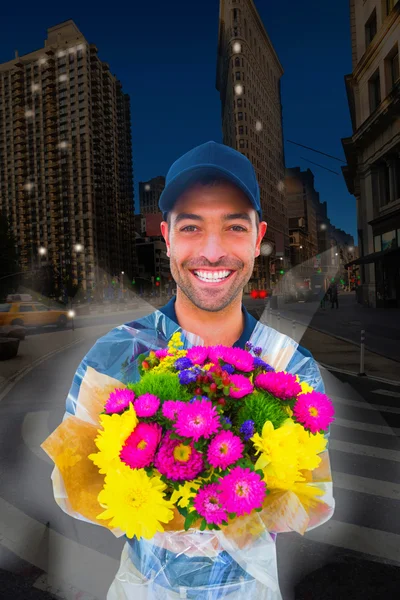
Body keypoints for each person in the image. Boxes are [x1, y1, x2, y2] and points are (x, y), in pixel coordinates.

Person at [56, 141, 334, 599]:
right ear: (165, 237)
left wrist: (233, 520)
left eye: (233, 227)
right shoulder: (114, 356)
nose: (211, 250)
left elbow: (314, 496)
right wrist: (160, 517)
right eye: (190, 227)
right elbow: (78, 486)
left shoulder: (291, 368)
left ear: (257, 237)